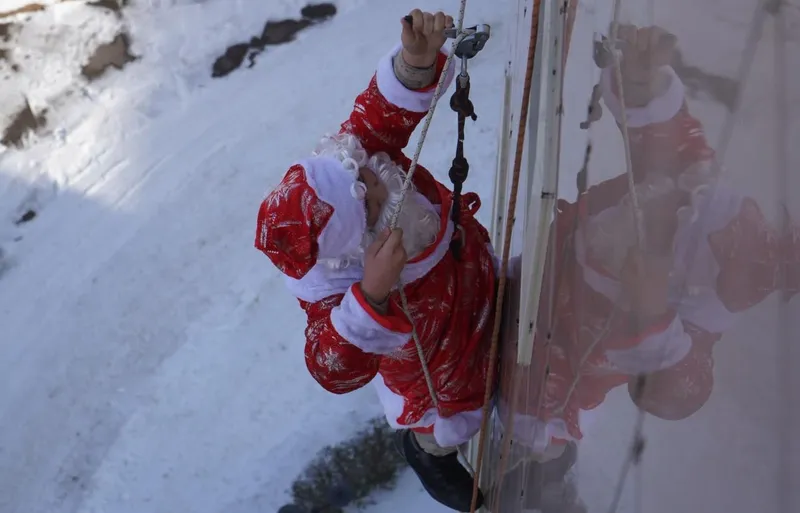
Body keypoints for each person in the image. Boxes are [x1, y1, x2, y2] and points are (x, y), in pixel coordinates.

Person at [254, 9, 497, 511]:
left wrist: (414, 62)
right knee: (460, 408)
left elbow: (380, 113)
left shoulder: (358, 157)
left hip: (473, 275)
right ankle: (429, 452)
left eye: (360, 175)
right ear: (351, 241)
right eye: (365, 203)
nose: (376, 182)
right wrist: (371, 295)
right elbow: (329, 367)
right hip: (440, 358)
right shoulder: (333, 281)